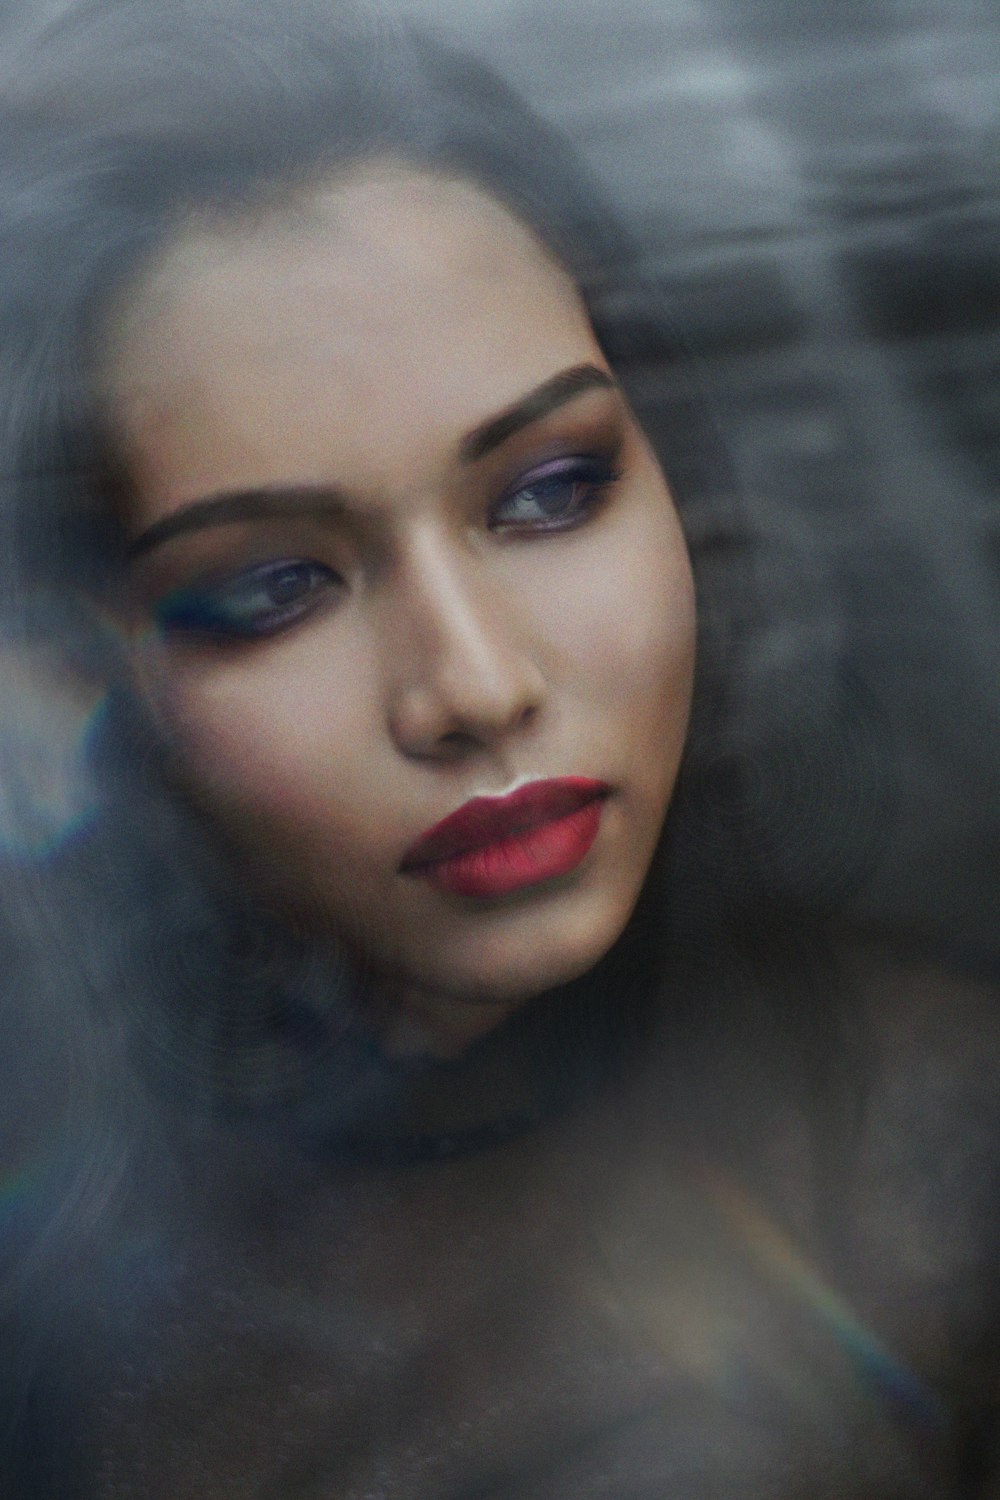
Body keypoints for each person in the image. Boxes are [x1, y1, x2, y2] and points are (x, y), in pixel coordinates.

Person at [1, 1, 998, 1496]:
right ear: (89, 671)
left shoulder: (942, 1138)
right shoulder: (69, 1347)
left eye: (548, 492)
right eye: (273, 586)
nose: (471, 685)